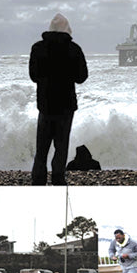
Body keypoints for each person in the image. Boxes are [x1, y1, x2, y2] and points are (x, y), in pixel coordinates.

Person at [29, 13, 88, 185]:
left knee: (42, 147)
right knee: (61, 146)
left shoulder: (37, 48)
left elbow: (34, 76)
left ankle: (38, 179)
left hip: (45, 104)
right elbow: (81, 77)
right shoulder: (74, 49)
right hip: (66, 105)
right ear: (67, 29)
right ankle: (58, 179)